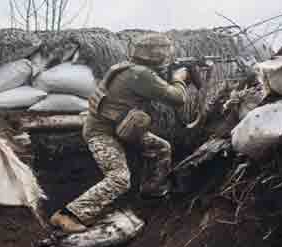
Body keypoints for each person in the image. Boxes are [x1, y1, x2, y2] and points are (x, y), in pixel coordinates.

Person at [50, 33, 190, 233]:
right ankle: (68, 214)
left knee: (161, 148)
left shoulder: (128, 68)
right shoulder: (141, 75)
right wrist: (179, 79)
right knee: (119, 178)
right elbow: (178, 98)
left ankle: (152, 192)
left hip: (121, 128)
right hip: (101, 132)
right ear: (160, 56)